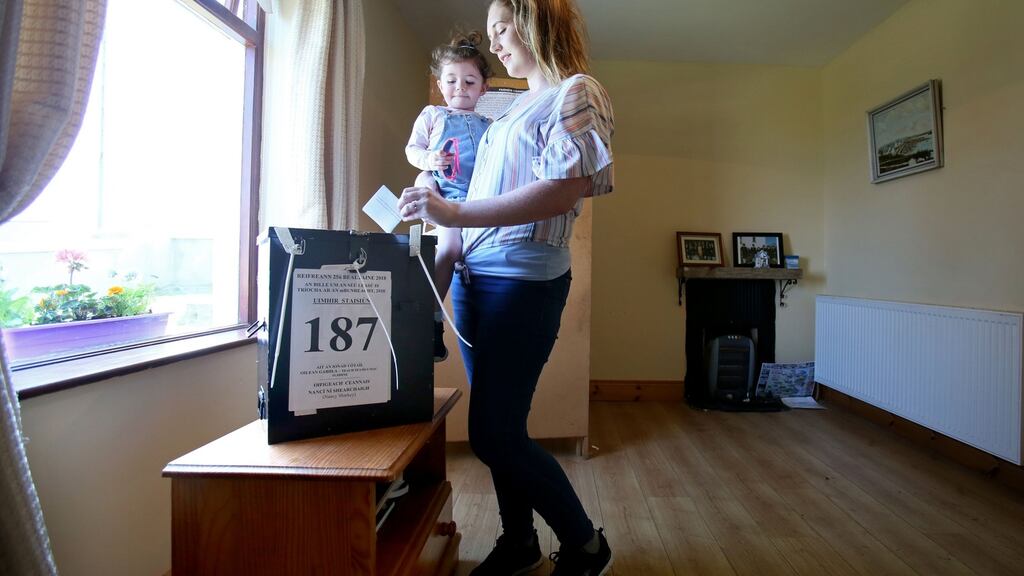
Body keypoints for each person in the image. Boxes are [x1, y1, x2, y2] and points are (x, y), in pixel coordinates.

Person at [398, 1, 614, 574]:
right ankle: (519, 541)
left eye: (501, 29)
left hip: (520, 284)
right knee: (503, 428)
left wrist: (455, 212)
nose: (493, 43)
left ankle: (586, 546)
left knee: (493, 436)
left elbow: (564, 190)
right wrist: (435, 203)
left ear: (534, 22)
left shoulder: (574, 92)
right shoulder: (509, 111)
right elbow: (471, 202)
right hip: (478, 282)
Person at [405, 32, 493, 362]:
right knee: (451, 247)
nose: (460, 88)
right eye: (452, 81)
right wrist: (429, 161)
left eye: (469, 82)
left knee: (474, 256)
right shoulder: (433, 115)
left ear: (483, 88)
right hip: (446, 196)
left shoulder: (490, 125)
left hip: (478, 200)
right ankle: (429, 321)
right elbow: (412, 149)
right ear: (440, 84)